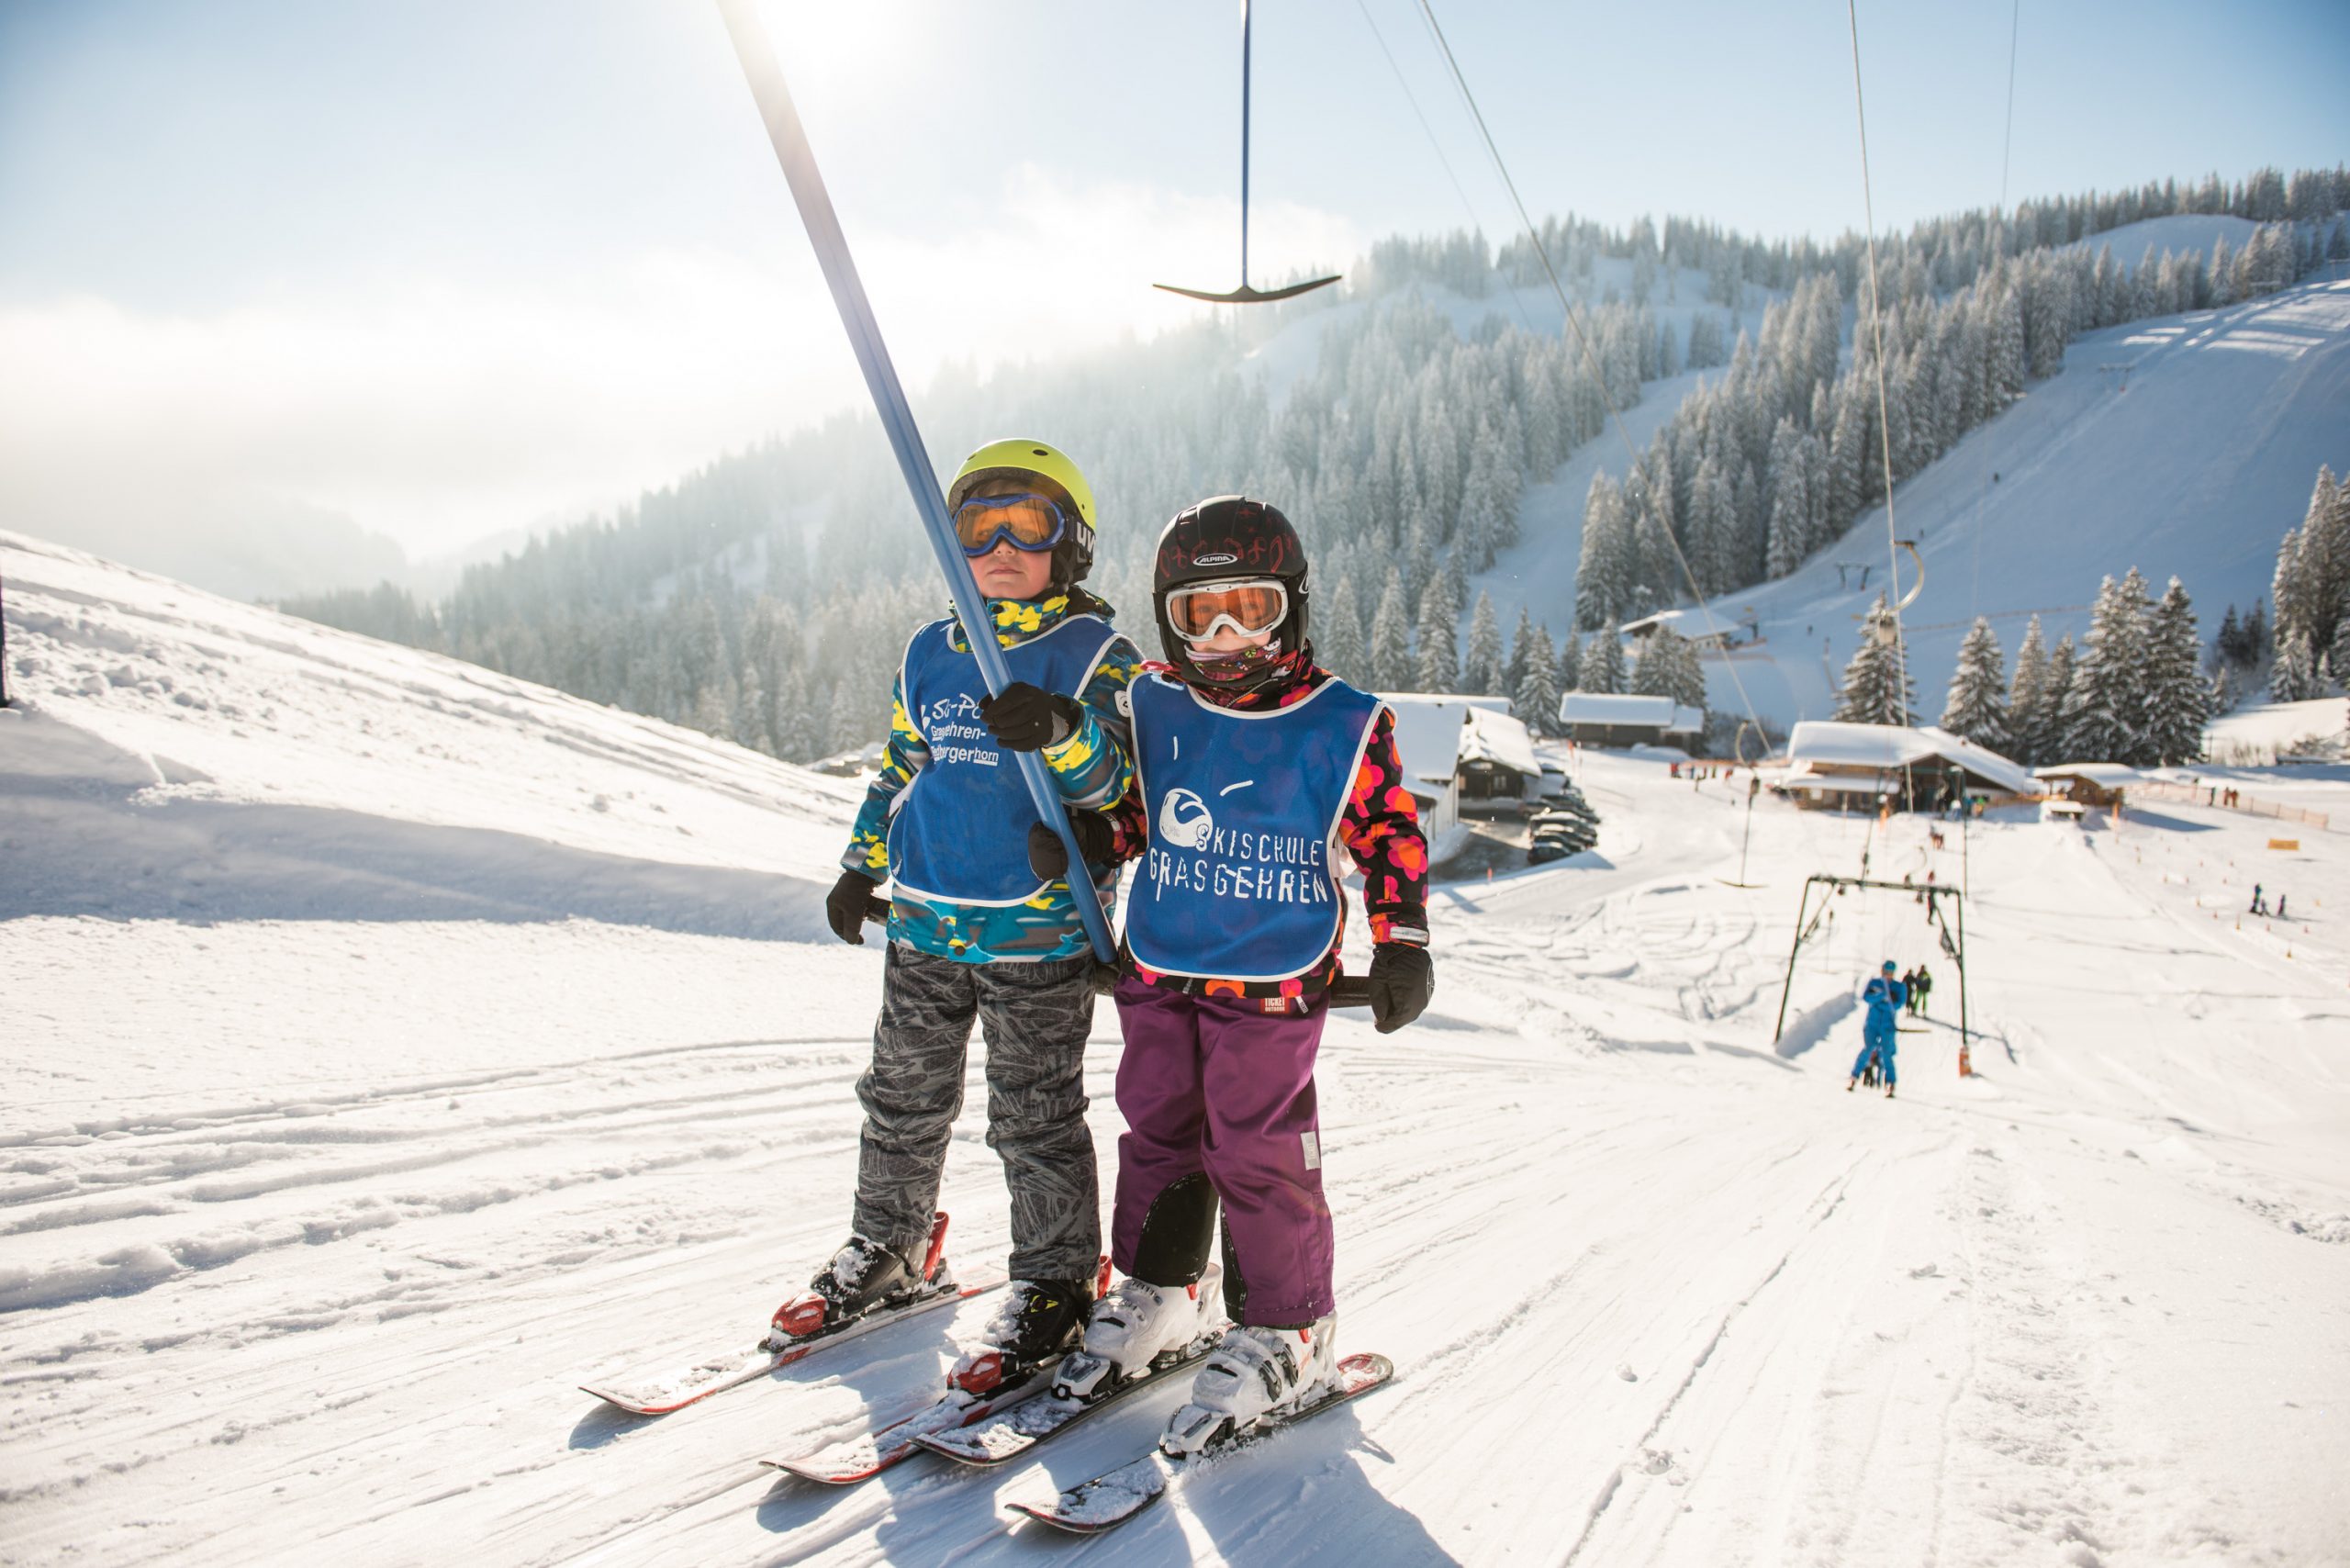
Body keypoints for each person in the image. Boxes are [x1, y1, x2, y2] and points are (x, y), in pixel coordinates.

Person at [1018, 496, 1435, 1455]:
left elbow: (1386, 833)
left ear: (1291, 607)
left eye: (1249, 610)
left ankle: (1291, 1326)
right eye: (1198, 615)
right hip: (1162, 960)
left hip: (1272, 977)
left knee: (1256, 1145)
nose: (1223, 638)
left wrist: (1402, 940)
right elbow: (1139, 807)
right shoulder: (1158, 703)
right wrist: (1097, 839)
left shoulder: (1341, 721)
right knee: (1157, 1129)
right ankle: (1166, 1289)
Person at [775, 440, 1144, 1394]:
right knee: (900, 1098)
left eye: (1028, 525)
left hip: (1039, 935)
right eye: (978, 527)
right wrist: (860, 866)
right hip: (925, 922)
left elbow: (1119, 791)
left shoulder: (1096, 657)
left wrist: (1061, 731)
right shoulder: (928, 653)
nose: (1001, 546)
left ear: (1073, 545)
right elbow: (902, 767)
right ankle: (891, 1243)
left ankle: (1057, 1280)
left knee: (1033, 1116)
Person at [1848, 960, 1906, 1099]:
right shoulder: (1875, 983)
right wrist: (1882, 996)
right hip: (1872, 1023)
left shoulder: (1899, 987)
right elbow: (1867, 997)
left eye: (1890, 972)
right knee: (1868, 1049)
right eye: (1886, 971)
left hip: (1887, 1025)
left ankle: (1890, 1083)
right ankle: (1854, 1076)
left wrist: (1880, 1003)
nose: (1888, 974)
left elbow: (1897, 1005)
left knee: (1886, 1053)